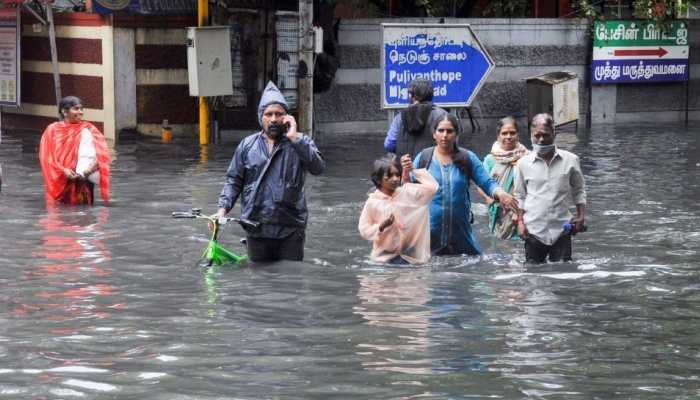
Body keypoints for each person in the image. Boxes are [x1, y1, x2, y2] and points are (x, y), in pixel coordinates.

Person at [215, 81, 325, 262]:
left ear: (286, 117)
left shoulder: (300, 142)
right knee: (258, 281)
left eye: (279, 114)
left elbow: (318, 168)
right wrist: (222, 210)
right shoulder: (247, 145)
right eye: (269, 114)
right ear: (261, 117)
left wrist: (296, 139)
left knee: (290, 278)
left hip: (290, 227)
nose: (273, 119)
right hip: (256, 226)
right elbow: (234, 181)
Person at [412, 113, 518, 256]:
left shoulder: (467, 158)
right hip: (429, 233)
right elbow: (407, 190)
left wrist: (500, 193)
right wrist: (406, 173)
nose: (445, 135)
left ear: (456, 134)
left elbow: (486, 182)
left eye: (449, 131)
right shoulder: (424, 158)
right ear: (434, 134)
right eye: (441, 131)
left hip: (461, 234)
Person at [513, 113, 587, 263]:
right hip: (533, 231)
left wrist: (581, 216)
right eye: (537, 135)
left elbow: (579, 190)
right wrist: (520, 223)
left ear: (554, 133)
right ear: (531, 135)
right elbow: (519, 196)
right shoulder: (523, 164)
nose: (541, 140)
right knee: (533, 275)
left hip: (562, 230)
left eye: (545, 135)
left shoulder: (571, 160)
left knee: (562, 276)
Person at [358, 154, 439, 264]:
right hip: (384, 258)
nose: (395, 179)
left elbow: (432, 188)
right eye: (390, 176)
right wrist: (381, 226)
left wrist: (413, 170)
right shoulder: (373, 202)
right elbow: (364, 230)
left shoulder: (407, 193)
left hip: (411, 256)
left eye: (397, 175)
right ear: (378, 179)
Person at [39, 96, 111, 205]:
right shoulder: (52, 130)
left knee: (85, 216)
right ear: (64, 111)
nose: (81, 112)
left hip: (83, 180)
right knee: (61, 216)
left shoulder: (89, 129)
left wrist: (89, 170)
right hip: (60, 180)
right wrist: (64, 170)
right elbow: (46, 157)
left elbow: (103, 155)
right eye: (76, 109)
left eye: (81, 109)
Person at [479, 116, 529, 239]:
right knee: (501, 244)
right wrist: (489, 199)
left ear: (517, 135)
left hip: (523, 210)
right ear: (498, 136)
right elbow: (481, 183)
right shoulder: (490, 160)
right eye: (504, 133)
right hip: (499, 211)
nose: (508, 136)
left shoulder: (528, 158)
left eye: (512, 133)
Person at [384, 78, 447, 157]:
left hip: (405, 166)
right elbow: (451, 144)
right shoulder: (442, 116)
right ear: (431, 95)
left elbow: (389, 145)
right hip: (432, 166)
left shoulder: (400, 117)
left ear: (413, 96)